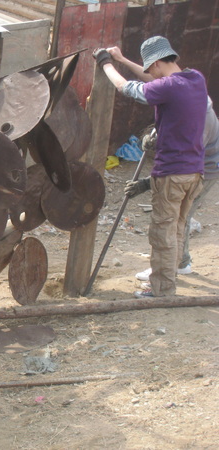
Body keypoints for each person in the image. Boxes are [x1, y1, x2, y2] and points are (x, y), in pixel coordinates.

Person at [93, 36, 207, 298]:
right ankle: (169, 277)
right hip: (194, 172)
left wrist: (107, 65)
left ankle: (161, 288)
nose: (149, 73)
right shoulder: (194, 79)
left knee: (162, 233)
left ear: (156, 63)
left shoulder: (169, 87)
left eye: (149, 68)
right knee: (177, 228)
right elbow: (156, 83)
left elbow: (128, 88)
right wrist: (121, 59)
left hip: (173, 173)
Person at [125, 97, 219, 280]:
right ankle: (181, 262)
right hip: (193, 165)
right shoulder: (183, 102)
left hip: (202, 169)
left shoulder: (199, 118)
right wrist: (154, 135)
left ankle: (169, 269)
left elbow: (179, 171)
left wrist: (146, 183)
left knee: (175, 219)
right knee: (177, 217)